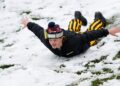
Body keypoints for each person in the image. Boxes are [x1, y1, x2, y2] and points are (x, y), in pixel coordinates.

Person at [21, 13, 120, 57]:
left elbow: (90, 35)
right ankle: (78, 18)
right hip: (71, 34)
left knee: (92, 29)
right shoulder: (47, 40)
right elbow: (38, 30)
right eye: (51, 40)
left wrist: (107, 31)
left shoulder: (75, 41)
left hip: (81, 44)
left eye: (55, 40)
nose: (52, 42)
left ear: (61, 38)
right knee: (72, 26)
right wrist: (28, 24)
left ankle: (99, 19)